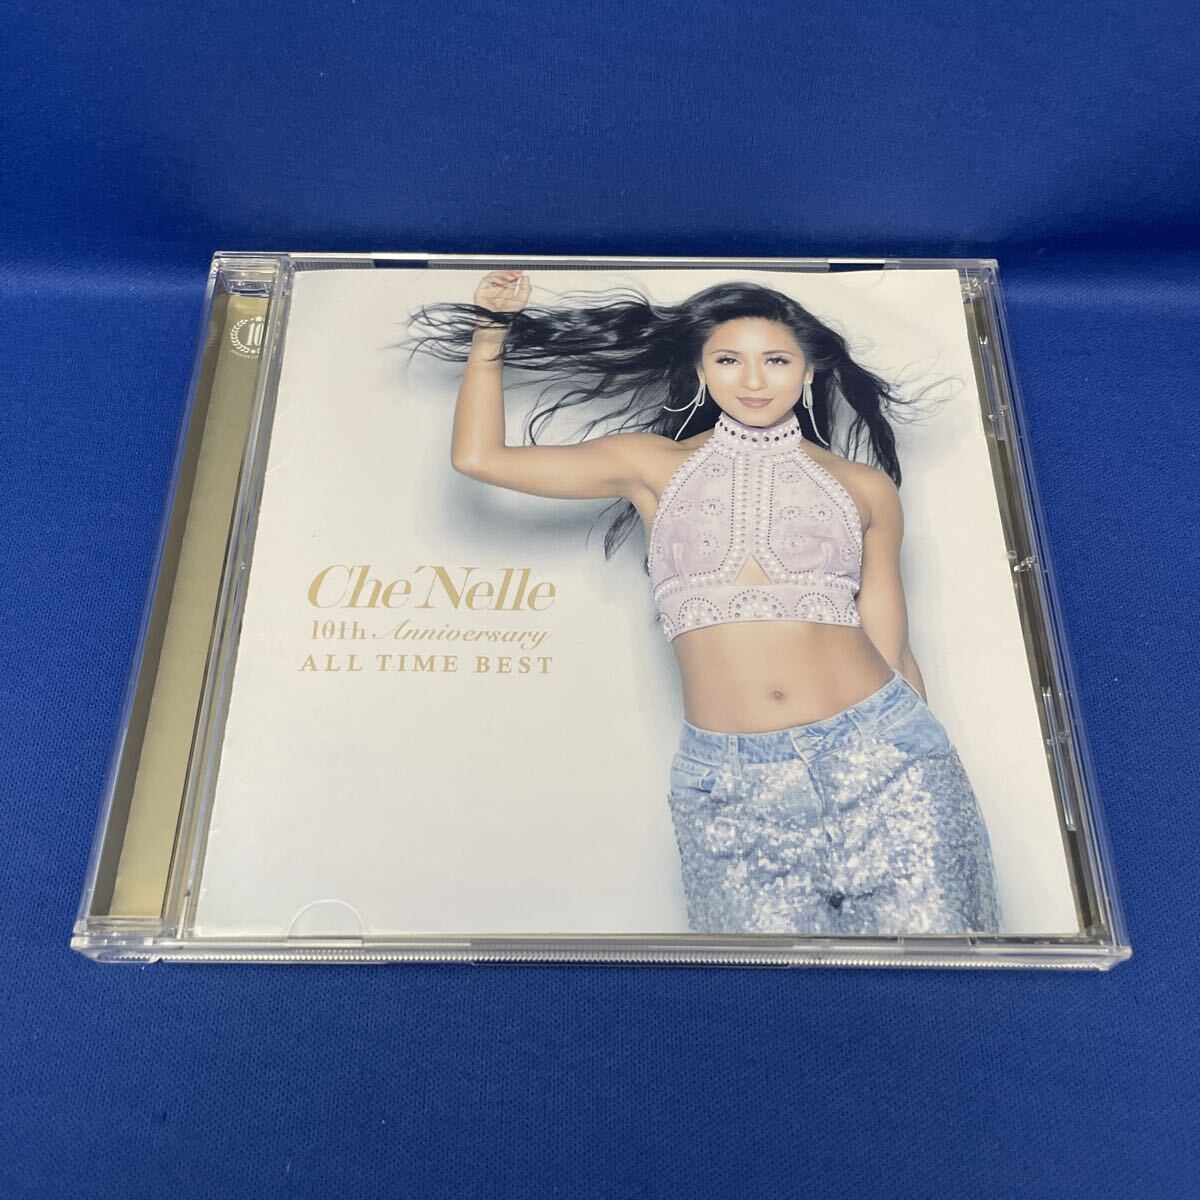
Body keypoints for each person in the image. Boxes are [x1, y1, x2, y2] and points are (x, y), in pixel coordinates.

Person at [405, 269, 1003, 936]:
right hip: (731, 785)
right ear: (701, 370)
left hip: (890, 765)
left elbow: (891, 648)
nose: (754, 380)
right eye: (729, 360)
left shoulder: (864, 487)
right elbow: (480, 458)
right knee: (763, 992)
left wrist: (923, 756)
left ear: (808, 372)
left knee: (942, 975)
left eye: (776, 360)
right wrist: (492, 330)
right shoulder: (650, 465)